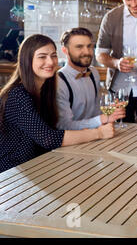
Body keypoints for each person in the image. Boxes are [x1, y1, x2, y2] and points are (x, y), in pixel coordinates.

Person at [0, 34, 114, 173]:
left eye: (53, 55)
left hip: (39, 165)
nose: (50, 62)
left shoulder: (46, 90)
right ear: (27, 60)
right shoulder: (18, 94)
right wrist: (98, 133)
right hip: (13, 173)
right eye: (42, 57)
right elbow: (48, 138)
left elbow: (56, 130)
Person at [56, 28, 125, 130]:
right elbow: (65, 125)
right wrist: (102, 119)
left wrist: (111, 109)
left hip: (97, 136)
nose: (87, 52)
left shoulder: (93, 73)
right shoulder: (59, 81)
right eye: (79, 47)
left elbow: (96, 112)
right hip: (73, 141)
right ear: (65, 51)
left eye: (89, 46)